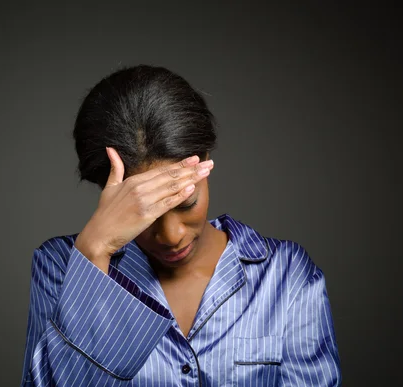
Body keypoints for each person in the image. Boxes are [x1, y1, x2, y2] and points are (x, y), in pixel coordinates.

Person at [20, 65, 341, 386]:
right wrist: (95, 252)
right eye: (143, 216)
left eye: (185, 203)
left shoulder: (285, 275)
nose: (172, 236)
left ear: (203, 161)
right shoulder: (62, 268)